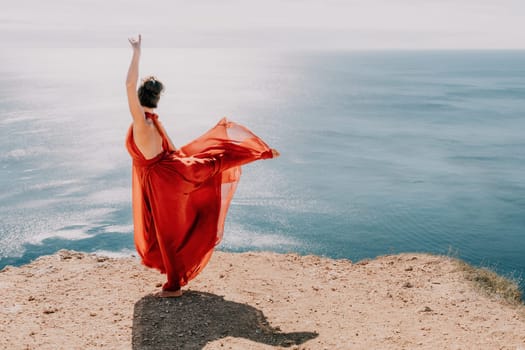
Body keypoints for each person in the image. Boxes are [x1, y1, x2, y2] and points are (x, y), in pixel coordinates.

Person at [125, 34, 280, 297]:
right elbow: (171, 150)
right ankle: (260, 153)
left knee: (166, 230)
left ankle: (173, 286)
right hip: (167, 173)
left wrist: (136, 52)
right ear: (156, 100)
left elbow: (129, 84)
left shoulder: (142, 123)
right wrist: (184, 164)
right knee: (213, 161)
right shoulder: (153, 122)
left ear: (140, 97)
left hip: (161, 179)